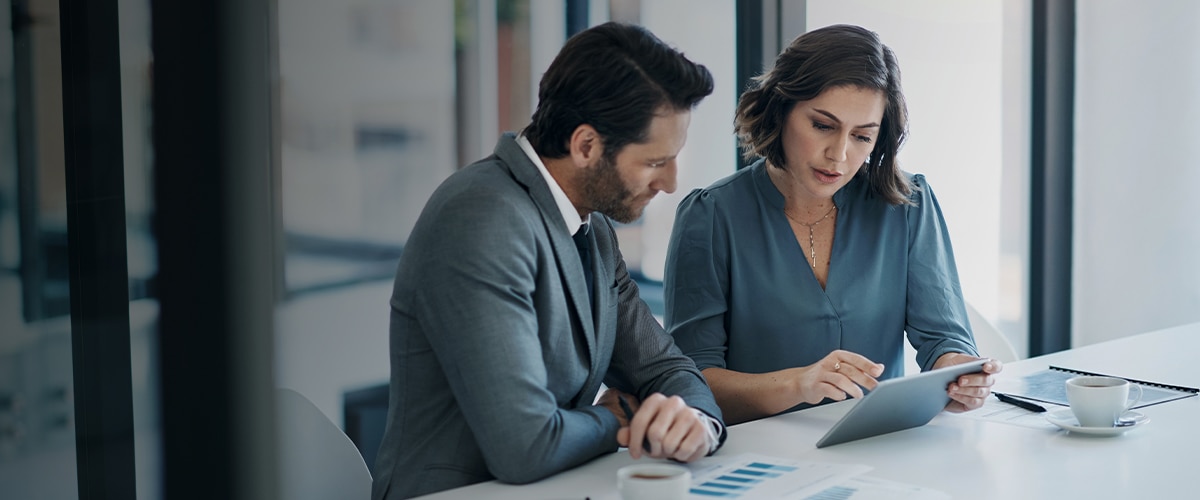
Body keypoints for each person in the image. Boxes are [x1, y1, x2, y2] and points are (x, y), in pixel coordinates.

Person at [372, 22, 726, 500]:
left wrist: (695, 422)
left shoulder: (592, 227)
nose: (671, 183)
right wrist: (618, 418)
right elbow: (526, 445)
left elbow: (664, 367)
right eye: (654, 162)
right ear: (585, 146)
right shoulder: (481, 217)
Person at [662, 24, 1002, 426]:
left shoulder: (907, 205)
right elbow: (689, 383)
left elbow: (944, 338)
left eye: (862, 136)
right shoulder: (711, 216)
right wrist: (797, 384)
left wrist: (959, 373)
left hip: (876, 446)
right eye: (823, 125)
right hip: (756, 456)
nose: (838, 154)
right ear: (781, 109)